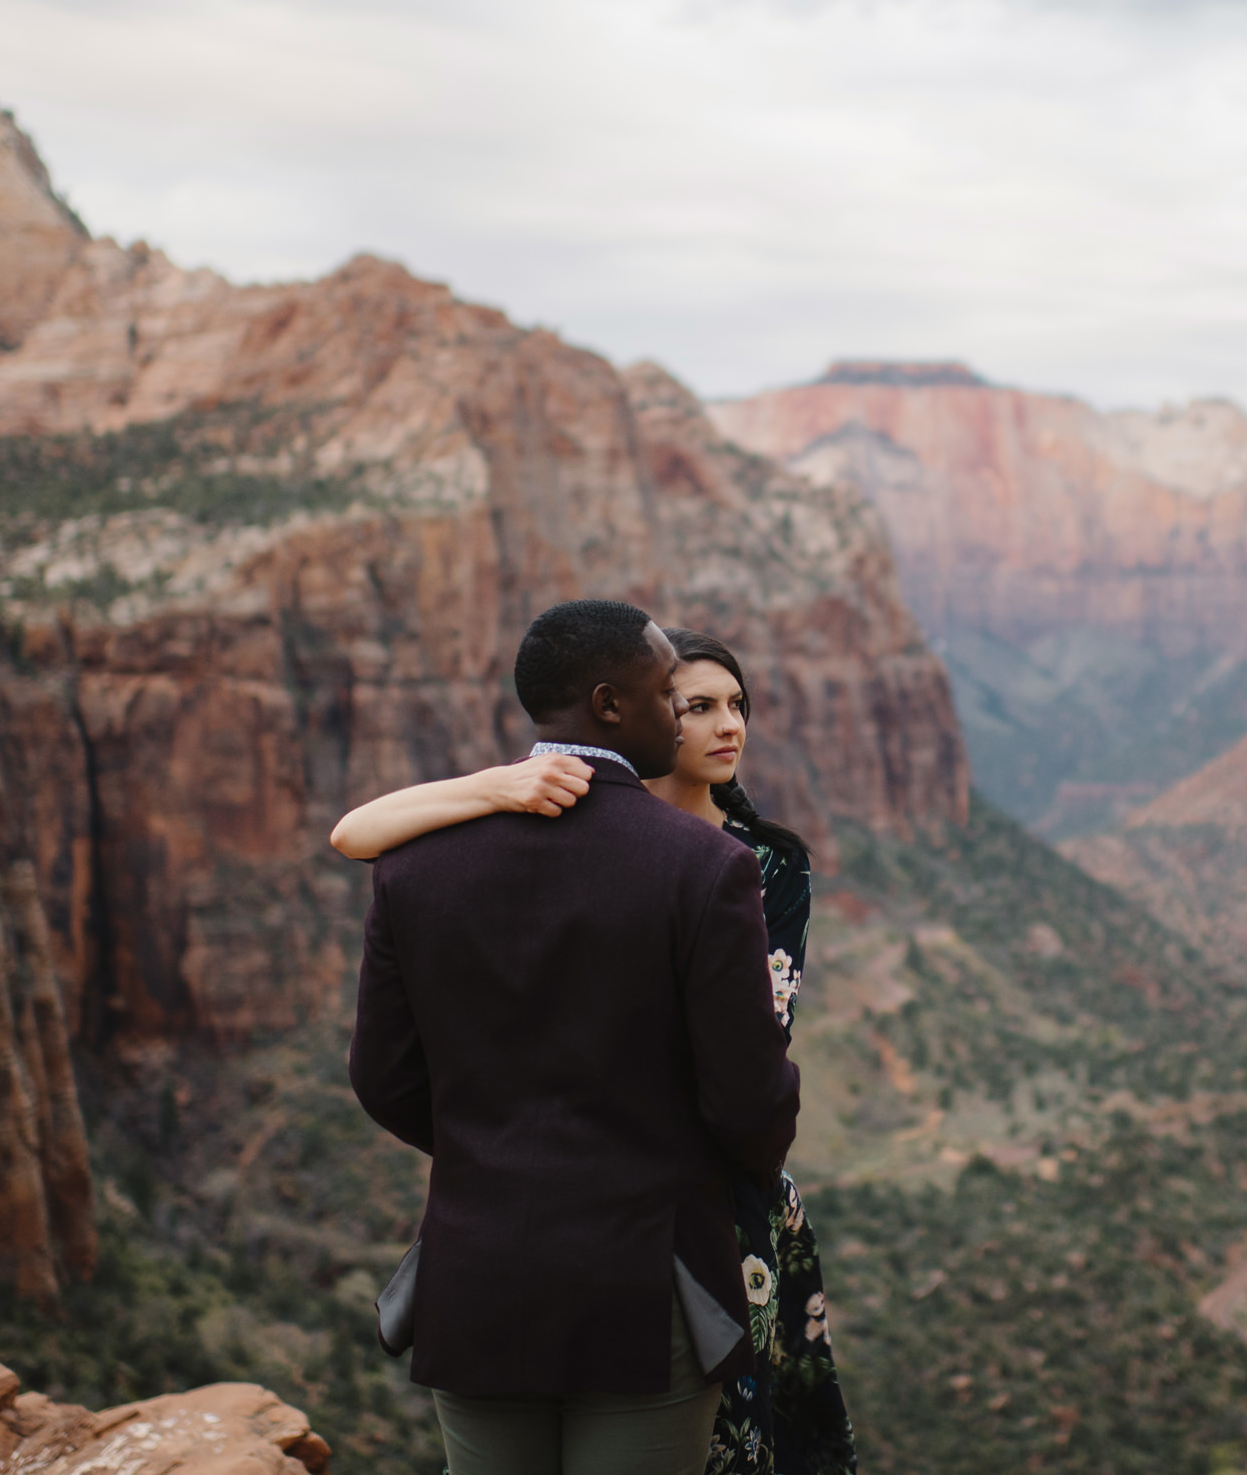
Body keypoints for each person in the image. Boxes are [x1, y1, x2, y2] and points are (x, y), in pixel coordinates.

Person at [335, 628, 858, 1475]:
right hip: (647, 1273)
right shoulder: (704, 867)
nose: (700, 720)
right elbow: (749, 1097)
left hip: (480, 1264)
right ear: (614, 706)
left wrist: (498, 1146)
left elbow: (383, 1076)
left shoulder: (415, 864)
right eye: (671, 698)